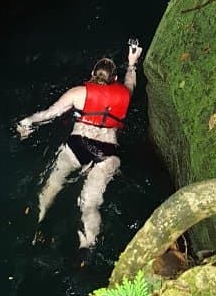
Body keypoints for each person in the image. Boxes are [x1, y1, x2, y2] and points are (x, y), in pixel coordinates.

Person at [16, 41, 143, 249]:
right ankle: (88, 246)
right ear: (115, 79)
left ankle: (37, 224)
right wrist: (132, 63)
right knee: (90, 205)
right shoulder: (124, 94)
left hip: (77, 146)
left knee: (51, 187)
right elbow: (131, 85)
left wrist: (26, 122)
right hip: (107, 153)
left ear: (93, 73)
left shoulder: (78, 93)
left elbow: (48, 114)